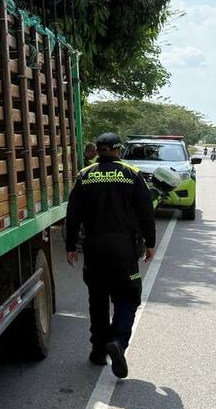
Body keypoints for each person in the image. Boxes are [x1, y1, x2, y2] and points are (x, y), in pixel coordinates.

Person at [65, 132, 157, 378]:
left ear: (97, 150)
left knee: (98, 299)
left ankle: (97, 352)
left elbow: (72, 213)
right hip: (124, 249)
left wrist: (71, 245)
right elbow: (146, 212)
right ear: (118, 150)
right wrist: (150, 243)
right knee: (128, 296)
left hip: (94, 248)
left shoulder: (84, 176)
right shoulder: (132, 174)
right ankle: (117, 341)